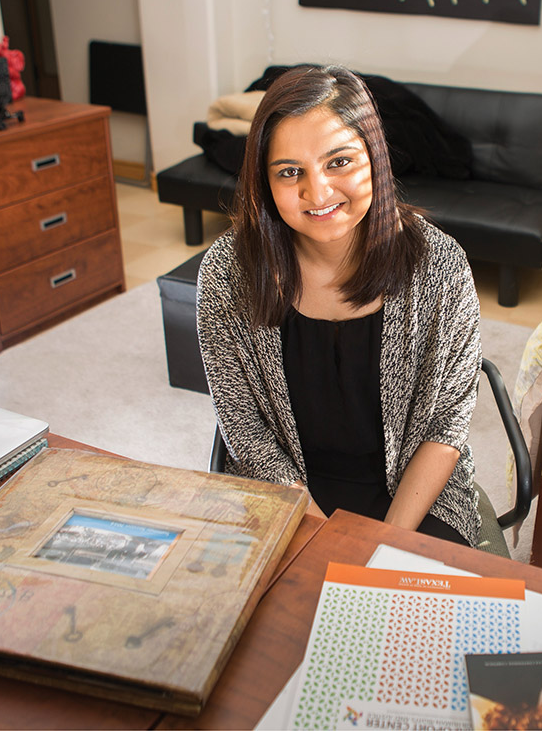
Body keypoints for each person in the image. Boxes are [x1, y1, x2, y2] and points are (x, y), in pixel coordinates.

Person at [196, 64, 481, 546]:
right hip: (281, 491)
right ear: (264, 182)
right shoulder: (228, 272)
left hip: (410, 498)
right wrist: (321, 537)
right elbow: (244, 427)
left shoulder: (440, 264)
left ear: (375, 158)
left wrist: (383, 544)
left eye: (339, 162)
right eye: (290, 172)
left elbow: (444, 425)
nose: (319, 192)